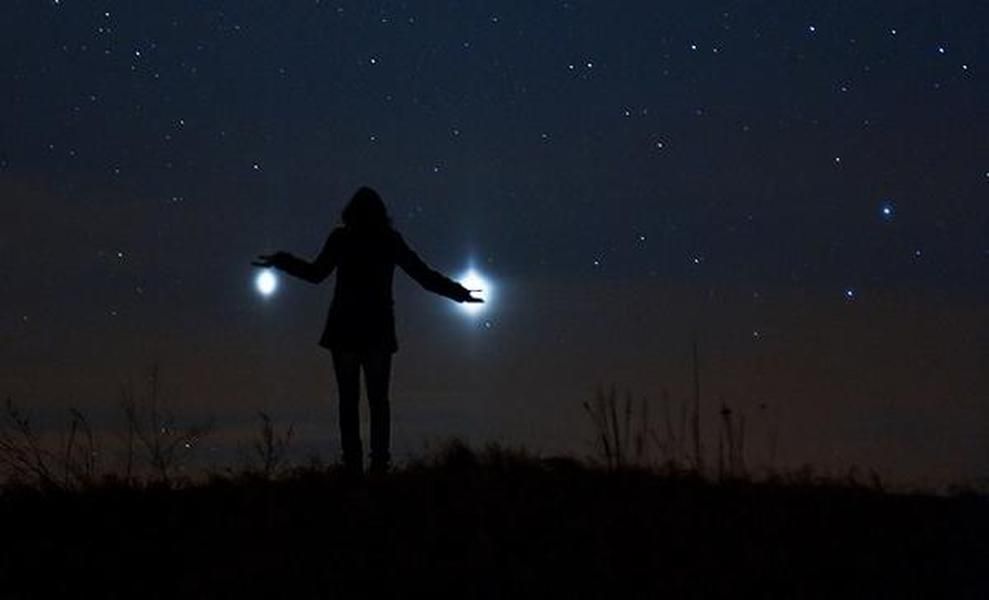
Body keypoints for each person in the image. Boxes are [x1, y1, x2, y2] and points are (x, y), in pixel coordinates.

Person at [253, 187, 482, 475]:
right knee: (378, 400)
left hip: (346, 328)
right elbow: (423, 275)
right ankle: (378, 465)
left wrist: (282, 261)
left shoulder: (343, 239)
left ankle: (354, 466)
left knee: (349, 400)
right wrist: (459, 293)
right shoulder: (388, 240)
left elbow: (315, 274)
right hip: (376, 330)